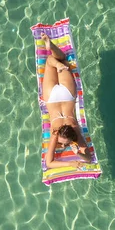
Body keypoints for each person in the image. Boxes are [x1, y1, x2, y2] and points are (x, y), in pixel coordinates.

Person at [41, 33, 91, 169]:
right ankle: (56, 62)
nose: (63, 146)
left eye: (64, 144)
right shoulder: (59, 133)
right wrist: (74, 160)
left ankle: (57, 63)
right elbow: (89, 159)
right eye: (65, 143)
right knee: (56, 60)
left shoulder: (60, 133)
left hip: (66, 95)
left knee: (57, 60)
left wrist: (78, 155)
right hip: (53, 97)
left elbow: (50, 163)